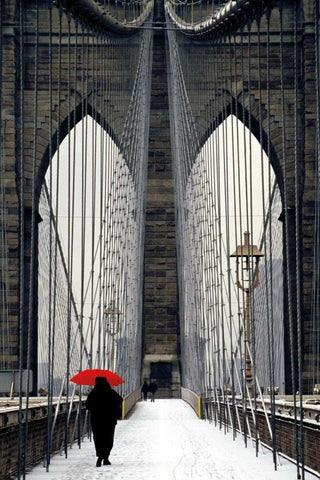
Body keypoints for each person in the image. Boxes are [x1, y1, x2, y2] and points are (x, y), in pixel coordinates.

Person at [86, 376, 123, 467]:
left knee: (98, 438)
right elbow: (120, 400)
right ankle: (106, 458)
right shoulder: (111, 392)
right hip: (109, 420)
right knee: (108, 438)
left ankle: (100, 455)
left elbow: (88, 405)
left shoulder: (93, 393)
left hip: (96, 420)